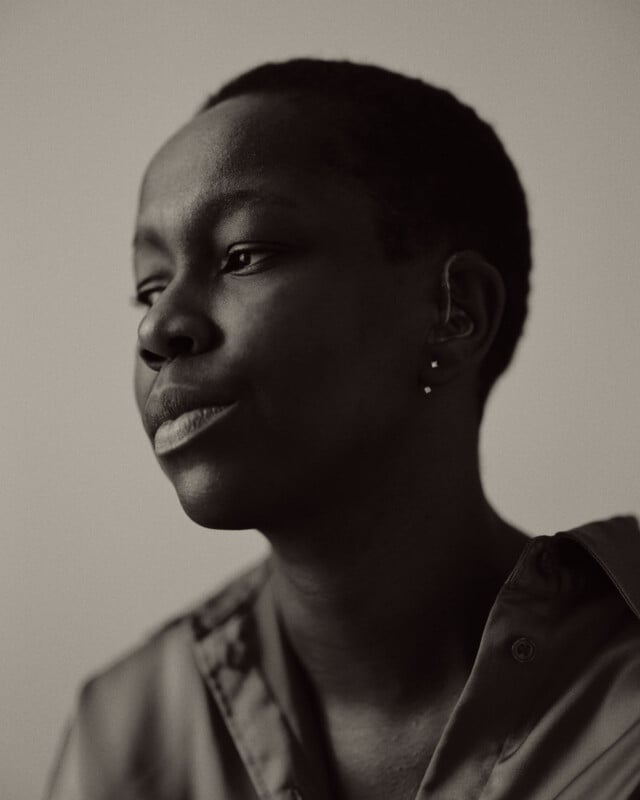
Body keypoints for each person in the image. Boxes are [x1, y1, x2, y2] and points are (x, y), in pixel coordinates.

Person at [46, 59, 640, 800]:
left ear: (454, 313)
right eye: (149, 286)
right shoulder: (127, 732)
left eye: (243, 254)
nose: (160, 328)